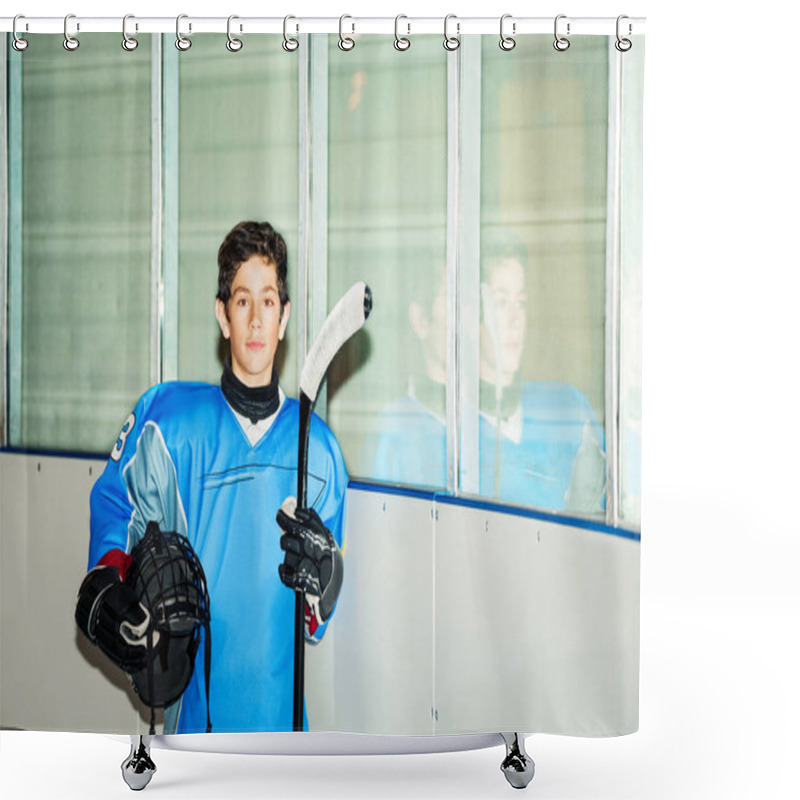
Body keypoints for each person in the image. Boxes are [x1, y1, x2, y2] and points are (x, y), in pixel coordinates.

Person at [74, 221, 347, 734]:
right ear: (223, 316)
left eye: (269, 302)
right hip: (193, 732)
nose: (256, 320)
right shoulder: (168, 424)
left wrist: (326, 582)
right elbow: (116, 512)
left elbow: (315, 622)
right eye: (242, 302)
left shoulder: (321, 452)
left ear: (284, 317)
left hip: (284, 739)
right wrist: (110, 587)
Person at [371, 228, 606, 513]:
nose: (514, 319)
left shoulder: (566, 409)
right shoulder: (447, 433)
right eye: (500, 303)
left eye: (521, 302)